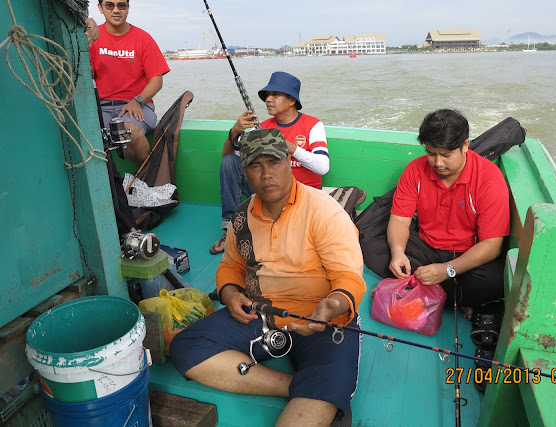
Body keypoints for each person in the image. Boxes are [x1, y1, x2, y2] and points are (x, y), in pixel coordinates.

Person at [171, 128, 365, 426]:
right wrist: (230, 294)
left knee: (325, 386)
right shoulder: (241, 216)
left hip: (323, 320)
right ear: (244, 171)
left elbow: (349, 278)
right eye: (255, 165)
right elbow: (231, 266)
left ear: (289, 162)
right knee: (186, 347)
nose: (265, 174)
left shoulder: (326, 212)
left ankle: (318, 387)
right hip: (262, 314)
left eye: (273, 162)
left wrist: (330, 307)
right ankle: (297, 386)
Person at [361, 109, 510, 318]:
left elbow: (491, 246)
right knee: (372, 250)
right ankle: (449, 297)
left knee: (495, 280)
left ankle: (411, 288)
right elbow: (399, 220)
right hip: (424, 246)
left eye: (446, 155)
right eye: (431, 154)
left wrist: (447, 270)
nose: (438, 163)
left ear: (465, 145)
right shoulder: (415, 170)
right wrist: (397, 253)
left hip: (465, 255)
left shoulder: (488, 179)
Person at [210, 71, 329, 254]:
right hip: (269, 191)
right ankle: (231, 228)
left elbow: (323, 167)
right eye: (267, 95)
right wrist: (234, 132)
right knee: (229, 163)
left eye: (275, 95)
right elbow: (229, 158)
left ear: (291, 101)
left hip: (299, 195)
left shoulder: (312, 125)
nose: (268, 99)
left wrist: (289, 147)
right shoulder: (263, 128)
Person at [86, 0, 170, 165]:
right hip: (101, 106)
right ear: (100, 8)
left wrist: (138, 100)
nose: (116, 10)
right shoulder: (92, 38)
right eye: (110, 5)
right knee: (84, 136)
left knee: (130, 133)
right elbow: (83, 75)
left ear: (128, 8)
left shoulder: (143, 38)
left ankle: (148, 177)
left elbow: (157, 80)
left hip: (136, 105)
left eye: (121, 5)